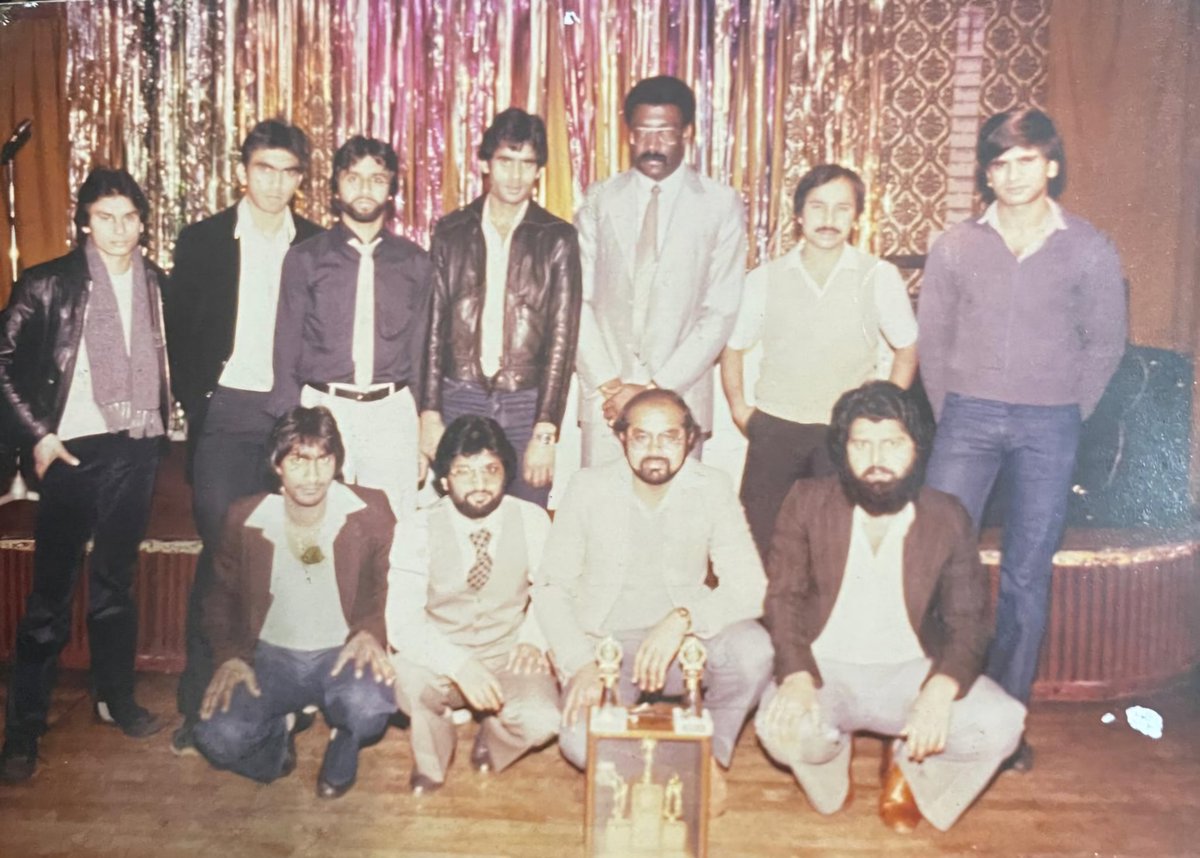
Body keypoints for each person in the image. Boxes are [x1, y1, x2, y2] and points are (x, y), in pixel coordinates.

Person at [917, 108, 1127, 770]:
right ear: (986, 172)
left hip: (1050, 423)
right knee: (935, 561)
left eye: (1026, 161)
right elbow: (934, 342)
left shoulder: (1089, 247)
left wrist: (1065, 411)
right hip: (967, 417)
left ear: (1052, 165)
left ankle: (1003, 725)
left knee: (1026, 576)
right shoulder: (955, 245)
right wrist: (955, 411)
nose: (1012, 175)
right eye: (1000, 164)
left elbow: (1106, 344)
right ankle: (929, 706)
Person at [756, 381, 1026, 833]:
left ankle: (912, 772)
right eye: (861, 444)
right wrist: (798, 675)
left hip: (911, 676)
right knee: (777, 728)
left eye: (892, 444)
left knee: (1003, 723)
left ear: (917, 449)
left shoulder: (947, 514)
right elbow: (782, 598)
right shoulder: (807, 501)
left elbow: (970, 621)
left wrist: (940, 690)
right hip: (826, 672)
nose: (876, 459)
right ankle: (830, 764)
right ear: (843, 452)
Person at [0, 168, 172, 783]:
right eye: (105, 216)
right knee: (49, 597)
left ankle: (114, 699)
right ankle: (21, 730)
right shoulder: (48, 283)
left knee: (116, 584)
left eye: (129, 216)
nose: (119, 229)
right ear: (85, 222)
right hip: (71, 451)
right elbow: (4, 362)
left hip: (137, 446)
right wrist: (40, 435)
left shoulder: (156, 284)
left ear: (144, 222)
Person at [533, 388, 772, 812]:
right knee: (576, 739)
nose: (656, 450)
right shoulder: (588, 487)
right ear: (622, 438)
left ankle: (707, 754)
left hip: (683, 645)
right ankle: (672, 766)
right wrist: (581, 664)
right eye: (642, 437)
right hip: (606, 648)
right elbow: (552, 587)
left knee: (754, 650)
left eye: (670, 437)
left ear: (690, 439)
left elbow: (751, 586)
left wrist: (683, 618)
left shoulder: (711, 486)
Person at [165, 119, 323, 755]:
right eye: (264, 169)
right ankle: (199, 701)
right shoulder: (204, 241)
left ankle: (283, 693)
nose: (275, 183)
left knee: (293, 554)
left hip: (291, 414)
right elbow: (179, 332)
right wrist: (200, 398)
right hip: (227, 413)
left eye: (288, 172)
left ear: (301, 180)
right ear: (243, 171)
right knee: (224, 551)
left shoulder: (315, 242)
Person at [192, 406, 397, 798]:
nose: (313, 474)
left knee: (370, 706)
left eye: (324, 459)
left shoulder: (370, 512)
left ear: (337, 463)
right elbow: (220, 598)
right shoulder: (245, 517)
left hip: (340, 653)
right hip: (271, 658)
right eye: (299, 460)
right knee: (219, 737)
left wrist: (369, 631)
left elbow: (380, 585)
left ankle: (345, 742)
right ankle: (278, 736)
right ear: (277, 465)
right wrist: (232, 656)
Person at [720, 164, 918, 559]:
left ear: (856, 216)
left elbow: (907, 349)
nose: (829, 219)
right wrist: (743, 411)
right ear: (799, 215)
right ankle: (763, 621)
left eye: (842, 208)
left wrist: (881, 416)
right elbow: (733, 349)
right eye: (817, 207)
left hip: (843, 433)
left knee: (836, 545)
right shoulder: (765, 279)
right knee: (760, 542)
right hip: (775, 427)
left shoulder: (877, 276)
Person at [574, 75, 746, 466]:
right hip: (607, 402)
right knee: (605, 518)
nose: (652, 145)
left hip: (679, 397)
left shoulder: (720, 205)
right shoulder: (600, 199)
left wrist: (655, 390)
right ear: (629, 135)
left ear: (686, 133)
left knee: (676, 521)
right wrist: (611, 386)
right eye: (642, 133)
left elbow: (720, 310)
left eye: (665, 133)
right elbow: (575, 300)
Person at [419, 108, 581, 508]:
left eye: (527, 164)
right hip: (460, 394)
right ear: (485, 163)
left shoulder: (557, 237)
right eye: (506, 161)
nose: (515, 175)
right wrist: (429, 410)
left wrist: (546, 430)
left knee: (526, 520)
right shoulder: (451, 231)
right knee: (459, 515)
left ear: (539, 171)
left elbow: (563, 339)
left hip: (525, 399)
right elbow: (433, 327)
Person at [389, 415, 559, 794]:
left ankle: (494, 734)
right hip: (440, 655)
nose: (480, 484)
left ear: (506, 473)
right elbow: (401, 621)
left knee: (544, 720)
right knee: (406, 681)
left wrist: (532, 640)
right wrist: (458, 665)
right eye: (465, 472)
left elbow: (552, 592)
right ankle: (434, 754)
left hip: (507, 653)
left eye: (490, 470)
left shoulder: (531, 520)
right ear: (445, 480)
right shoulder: (416, 528)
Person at [269, 135, 432, 518]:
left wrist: (424, 427)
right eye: (354, 177)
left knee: (393, 526)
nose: (365, 188)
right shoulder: (305, 259)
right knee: (319, 526)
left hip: (391, 411)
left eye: (377, 179)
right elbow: (286, 348)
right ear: (336, 185)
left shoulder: (415, 263)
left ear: (391, 190)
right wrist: (289, 431)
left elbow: (423, 350)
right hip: (323, 406)